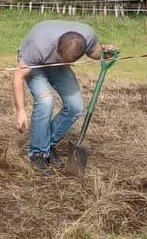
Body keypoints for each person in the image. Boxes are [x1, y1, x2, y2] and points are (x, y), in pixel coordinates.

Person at [13, 20, 117, 174]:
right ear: (57, 46)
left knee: (76, 106)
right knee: (46, 101)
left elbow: (95, 53)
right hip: (35, 64)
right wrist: (20, 110)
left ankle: (47, 145)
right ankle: (38, 153)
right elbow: (18, 75)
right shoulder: (38, 44)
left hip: (60, 66)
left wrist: (105, 51)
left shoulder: (87, 35)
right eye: (61, 58)